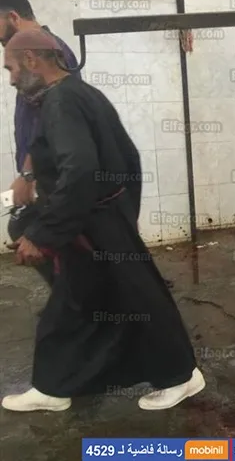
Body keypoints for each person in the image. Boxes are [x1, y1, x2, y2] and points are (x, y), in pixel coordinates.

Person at [1, 29, 204, 412]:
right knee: (78, 303)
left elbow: (79, 170)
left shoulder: (62, 102)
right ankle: (54, 387)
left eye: (10, 68)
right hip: (99, 219)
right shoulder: (80, 93)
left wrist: (43, 234)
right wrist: (122, 210)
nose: (10, 78)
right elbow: (129, 159)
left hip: (93, 224)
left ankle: (181, 376)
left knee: (134, 298)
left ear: (31, 60)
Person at [0, 0, 79, 287]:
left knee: (28, 230)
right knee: (22, 227)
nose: (11, 79)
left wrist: (29, 174)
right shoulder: (34, 52)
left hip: (52, 177)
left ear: (13, 17)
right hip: (42, 176)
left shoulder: (47, 53)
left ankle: (78, 302)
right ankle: (73, 301)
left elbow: (54, 121)